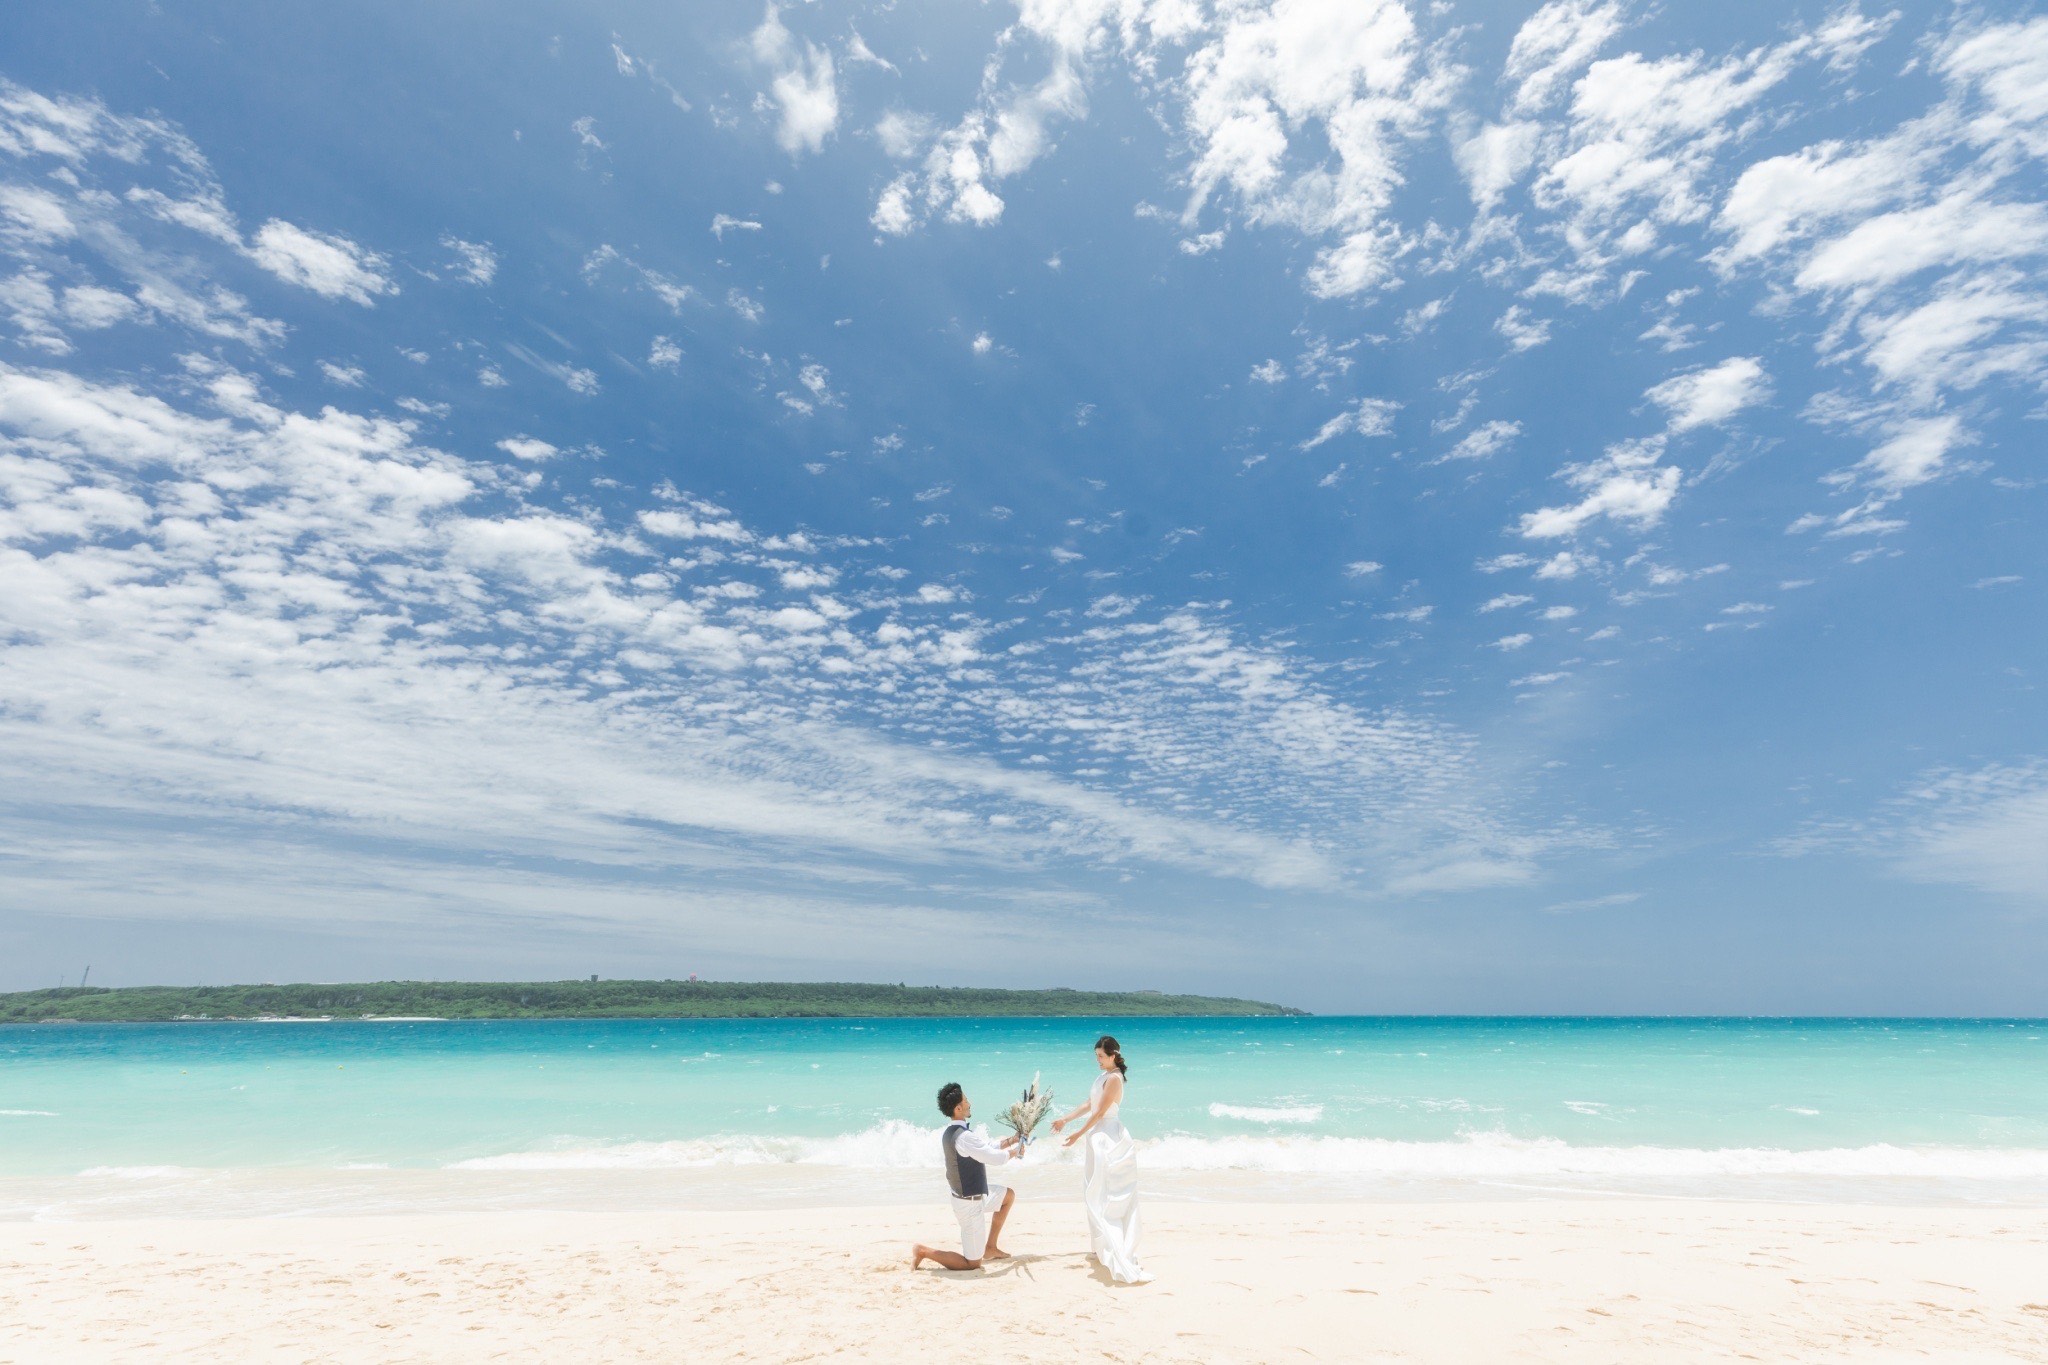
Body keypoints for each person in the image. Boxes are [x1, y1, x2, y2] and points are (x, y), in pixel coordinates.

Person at [1051, 1034, 1151, 1283]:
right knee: (1092, 1189)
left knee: (1106, 1192)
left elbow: (1100, 1113)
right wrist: (1066, 1119)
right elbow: (1089, 1103)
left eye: (1101, 1056)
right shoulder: (1103, 1076)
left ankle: (1111, 1245)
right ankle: (1098, 1245)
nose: (1097, 1060)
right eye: (1096, 1056)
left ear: (1113, 1055)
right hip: (1097, 1137)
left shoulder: (1115, 1079)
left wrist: (1078, 1134)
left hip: (1108, 1136)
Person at [911, 1080, 1024, 1271]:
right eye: (966, 1100)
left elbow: (985, 1147)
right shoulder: (964, 1137)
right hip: (969, 1205)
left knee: (1008, 1196)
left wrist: (1013, 1140)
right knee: (972, 1264)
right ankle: (923, 1251)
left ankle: (990, 1247)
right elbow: (993, 1158)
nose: (969, 1102)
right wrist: (1015, 1152)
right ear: (958, 1108)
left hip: (976, 1196)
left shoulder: (953, 1132)